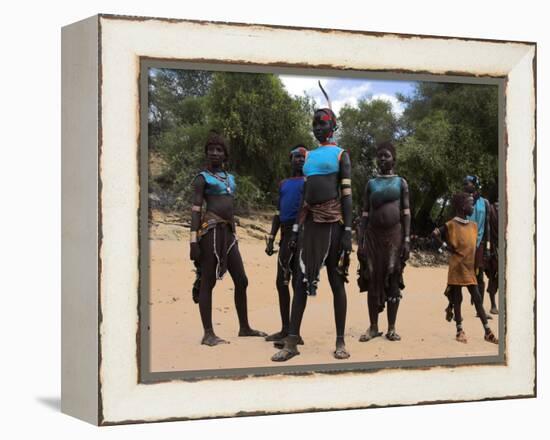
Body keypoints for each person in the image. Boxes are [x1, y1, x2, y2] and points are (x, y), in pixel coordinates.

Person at [271, 94, 353, 362]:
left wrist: (349, 232)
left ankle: (340, 341)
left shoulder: (341, 154)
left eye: (323, 123)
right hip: (310, 225)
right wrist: (295, 229)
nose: (318, 127)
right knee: (299, 280)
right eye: (315, 123)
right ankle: (292, 340)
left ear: (333, 126)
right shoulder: (309, 157)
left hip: (333, 225)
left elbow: (347, 196)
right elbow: (305, 196)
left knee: (336, 281)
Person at [189, 131, 266, 346]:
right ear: (206, 153)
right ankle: (208, 333)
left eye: (219, 150)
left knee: (241, 280)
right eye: (211, 150)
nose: (214, 153)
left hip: (229, 233)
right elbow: (196, 210)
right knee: (208, 280)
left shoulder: (230, 179)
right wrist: (193, 241)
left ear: (225, 155)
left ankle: (244, 327)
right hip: (210, 231)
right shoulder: (201, 178)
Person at [357, 141, 410, 342]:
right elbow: (364, 214)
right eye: (379, 156)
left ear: (394, 159)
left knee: (393, 278)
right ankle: (373, 327)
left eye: (386, 155)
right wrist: (360, 241)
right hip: (372, 238)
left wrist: (406, 240)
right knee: (371, 278)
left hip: (394, 239)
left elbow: (406, 214)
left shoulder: (401, 183)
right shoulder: (371, 184)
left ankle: (391, 328)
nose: (382, 159)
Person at [432, 192, 498, 344]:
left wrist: (477, 266)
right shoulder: (451, 225)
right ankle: (459, 330)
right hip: (456, 268)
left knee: (478, 299)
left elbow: (473, 248)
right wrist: (445, 247)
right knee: (458, 299)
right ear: (462, 206)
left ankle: (487, 331)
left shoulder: (473, 226)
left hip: (469, 268)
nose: (473, 207)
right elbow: (435, 233)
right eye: (470, 204)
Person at [264, 145, 307, 346]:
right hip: (285, 234)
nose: (300, 160)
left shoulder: (309, 182)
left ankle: (294, 332)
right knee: (281, 281)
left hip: (302, 235)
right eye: (296, 157)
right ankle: (284, 328)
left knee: (298, 283)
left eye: (303, 157)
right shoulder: (283, 184)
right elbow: (278, 214)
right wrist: (271, 238)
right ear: (290, 159)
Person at [463, 175, 492, 318]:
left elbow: (487, 226)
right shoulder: (462, 200)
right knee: (460, 275)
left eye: (467, 183)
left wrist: (486, 247)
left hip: (479, 243)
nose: (464, 185)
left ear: (475, 185)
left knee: (479, 276)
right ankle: (453, 307)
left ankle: (479, 310)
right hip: (464, 243)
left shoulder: (484, 203)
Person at [484, 201, 499, 314]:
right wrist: (488, 248)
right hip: (493, 248)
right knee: (493, 276)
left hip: (503, 247)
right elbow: (487, 229)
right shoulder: (491, 209)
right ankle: (493, 304)